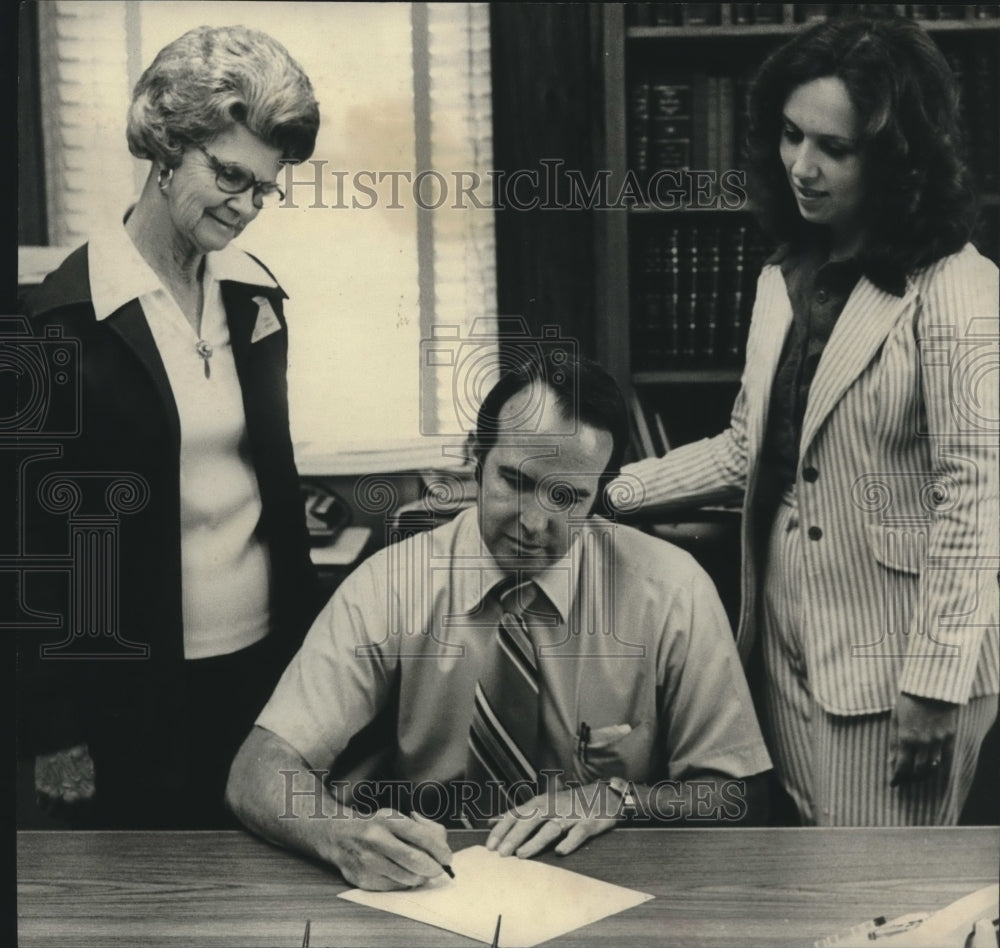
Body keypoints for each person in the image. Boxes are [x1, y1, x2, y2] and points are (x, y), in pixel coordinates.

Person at [611, 14, 998, 826]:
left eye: (835, 149)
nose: (803, 167)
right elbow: (751, 448)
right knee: (813, 885)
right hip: (783, 641)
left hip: (901, 661)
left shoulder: (958, 288)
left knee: (880, 910)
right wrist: (606, 495)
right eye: (791, 136)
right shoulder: (787, 271)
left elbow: (977, 499)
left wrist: (935, 681)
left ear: (897, 161)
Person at [226, 353, 772, 891]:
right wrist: (340, 834)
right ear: (475, 460)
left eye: (567, 497)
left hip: (609, 887)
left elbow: (741, 794)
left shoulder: (672, 590)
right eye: (514, 480)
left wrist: (620, 798)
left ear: (601, 494)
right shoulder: (391, 584)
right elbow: (256, 770)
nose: (533, 523)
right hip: (431, 886)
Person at [20, 25, 324, 828]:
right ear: (165, 147)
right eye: (230, 174)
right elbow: (27, 549)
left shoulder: (257, 304)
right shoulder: (58, 323)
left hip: (261, 675)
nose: (248, 206)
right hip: (127, 696)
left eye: (266, 188)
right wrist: (51, 729)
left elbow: (269, 484)